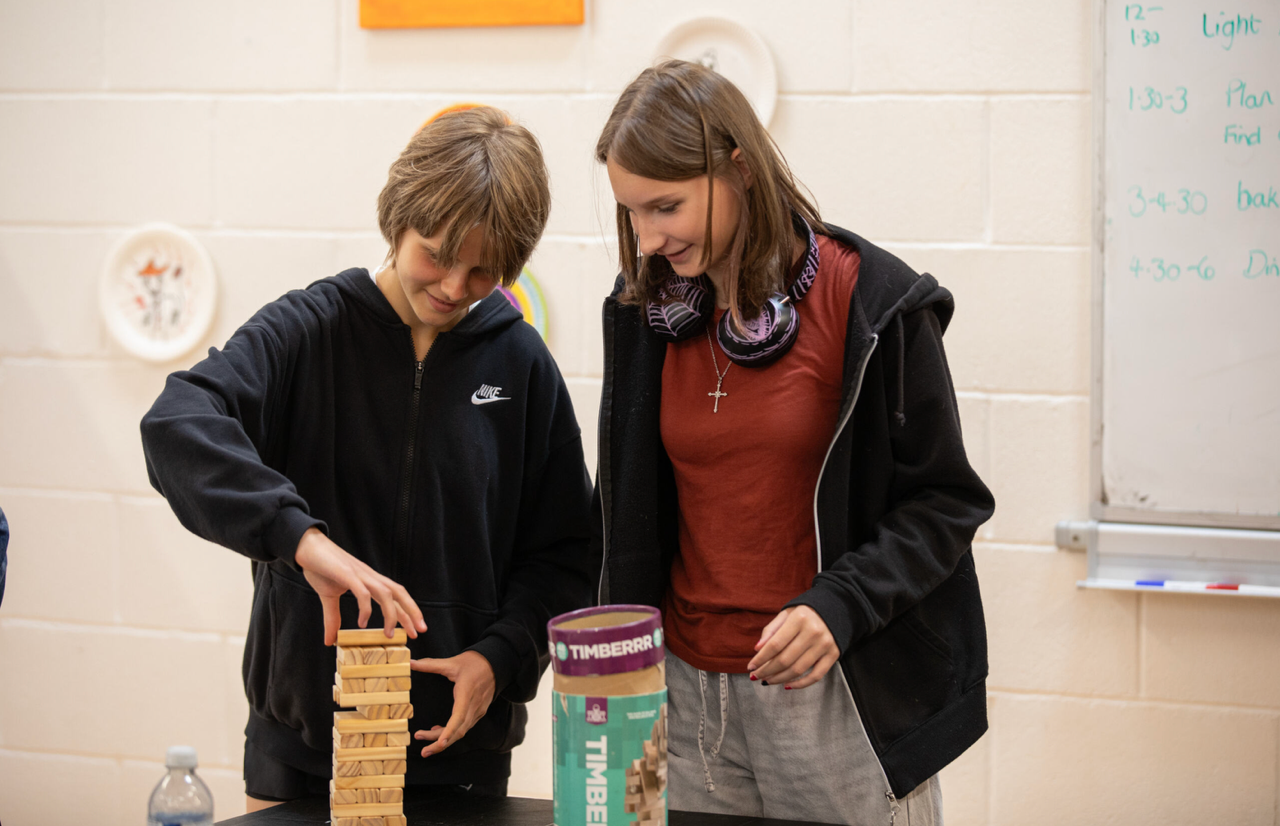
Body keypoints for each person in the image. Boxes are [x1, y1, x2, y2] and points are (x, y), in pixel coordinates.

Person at [141, 106, 592, 812]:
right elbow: (176, 424)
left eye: (482, 272)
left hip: (460, 756)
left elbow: (564, 554)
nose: (451, 286)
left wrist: (498, 657)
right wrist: (299, 536)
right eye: (437, 254)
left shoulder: (522, 365)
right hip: (300, 755)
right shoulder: (306, 332)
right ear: (397, 217)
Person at [590, 60, 995, 826]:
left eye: (666, 206)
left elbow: (947, 502)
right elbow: (621, 514)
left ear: (736, 168)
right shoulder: (643, 314)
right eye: (631, 211)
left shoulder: (872, 299)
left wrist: (840, 605)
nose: (646, 239)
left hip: (836, 690)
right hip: (681, 693)